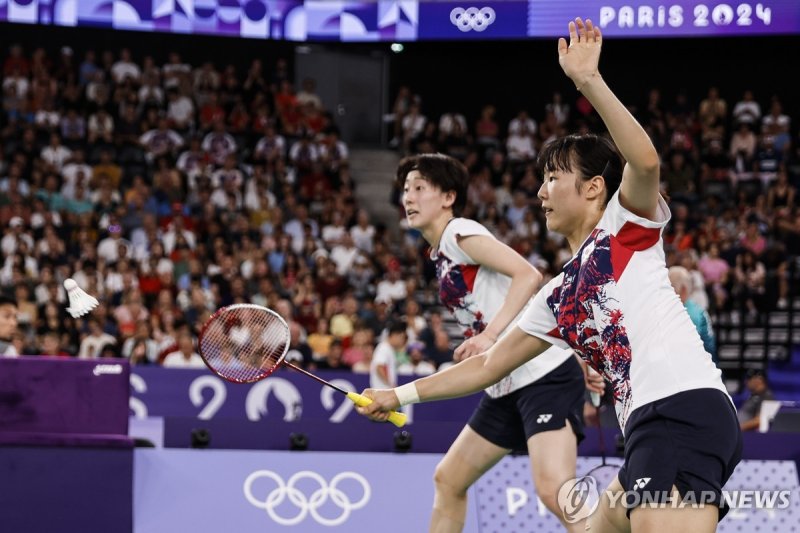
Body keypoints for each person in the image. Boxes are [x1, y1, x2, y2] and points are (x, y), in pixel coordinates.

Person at [359, 19, 741, 533]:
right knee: (589, 528)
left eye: (553, 177)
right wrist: (398, 396)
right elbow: (486, 368)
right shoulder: (558, 295)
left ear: (593, 188)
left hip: (679, 409)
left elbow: (645, 160)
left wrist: (588, 81)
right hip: (646, 430)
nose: (540, 191)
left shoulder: (627, 229)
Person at [391, 151, 598, 532]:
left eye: (420, 188)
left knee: (555, 490)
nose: (409, 198)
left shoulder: (458, 233)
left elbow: (527, 275)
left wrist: (490, 334)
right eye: (405, 190)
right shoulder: (439, 253)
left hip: (542, 376)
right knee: (448, 479)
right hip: (506, 384)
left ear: (448, 197)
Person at [668, 266, 717, 365]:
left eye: (670, 288)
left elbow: (685, 349)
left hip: (700, 366)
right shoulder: (688, 309)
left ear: (683, 289)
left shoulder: (690, 314)